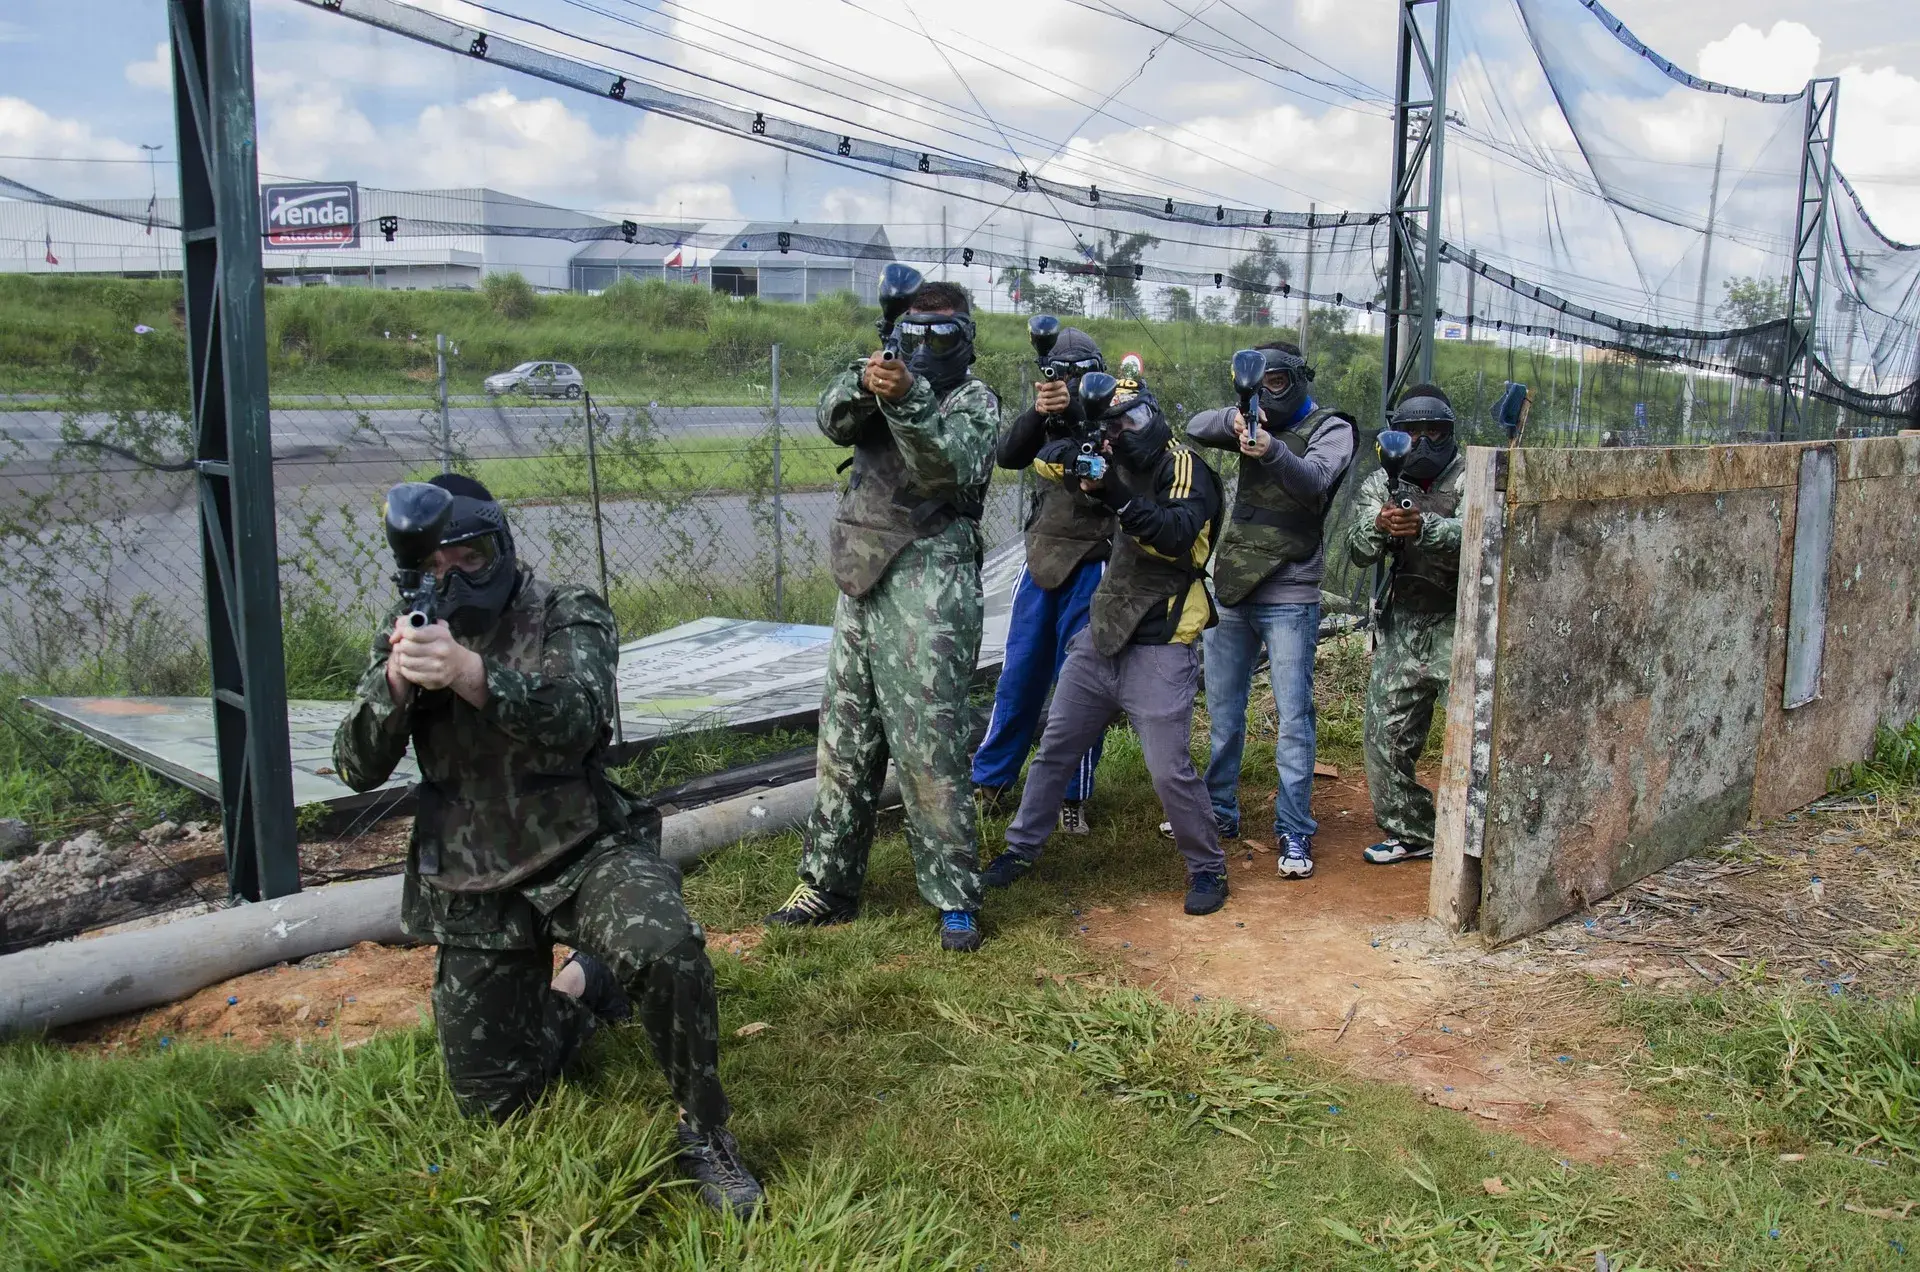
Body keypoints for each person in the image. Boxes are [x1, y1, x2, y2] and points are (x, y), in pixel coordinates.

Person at [331, 473, 762, 1216]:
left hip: (581, 845)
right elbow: (354, 764)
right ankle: (582, 988)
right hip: (473, 876)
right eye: (435, 565)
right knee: (495, 1104)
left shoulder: (567, 612)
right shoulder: (409, 631)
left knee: (664, 948)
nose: (452, 578)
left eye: (467, 557)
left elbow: (578, 719)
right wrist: (397, 685)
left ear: (498, 548)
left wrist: (473, 675)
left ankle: (706, 1129)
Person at [766, 281, 999, 952]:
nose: (927, 350)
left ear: (967, 338)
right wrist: (868, 380)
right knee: (845, 739)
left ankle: (954, 895)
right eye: (915, 336)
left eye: (943, 336)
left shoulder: (974, 401)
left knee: (928, 740)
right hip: (862, 571)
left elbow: (947, 468)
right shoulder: (884, 373)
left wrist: (908, 396)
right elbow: (832, 418)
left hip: (931, 573)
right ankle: (827, 885)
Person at [985, 374, 1231, 915]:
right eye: (1113, 423)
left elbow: (1176, 539)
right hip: (1103, 630)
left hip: (1163, 637)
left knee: (1168, 768)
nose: (1121, 432)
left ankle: (1208, 867)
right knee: (1054, 750)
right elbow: (1029, 456)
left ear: (1155, 415)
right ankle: (1021, 848)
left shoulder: (1183, 466)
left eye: (1132, 419)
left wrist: (1114, 494)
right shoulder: (1107, 453)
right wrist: (1064, 437)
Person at [1185, 342, 1356, 881]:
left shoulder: (1333, 427)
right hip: (1234, 583)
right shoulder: (1250, 414)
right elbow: (1195, 425)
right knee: (1224, 713)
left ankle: (1294, 828)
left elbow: (1314, 482)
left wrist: (1270, 449)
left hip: (1290, 591)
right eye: (1262, 382)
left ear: (1300, 379)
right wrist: (1238, 416)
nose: (1270, 391)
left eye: (1278, 381)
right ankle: (1220, 813)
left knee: (1294, 720)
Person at [971, 326, 1112, 845]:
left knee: (1080, 685)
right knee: (1019, 675)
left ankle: (1071, 798)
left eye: (1076, 375)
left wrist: (1075, 411)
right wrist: (1039, 411)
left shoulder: (1115, 410)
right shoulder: (1050, 412)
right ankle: (989, 781)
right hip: (1042, 557)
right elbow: (1008, 454)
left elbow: (1110, 457)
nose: (1067, 384)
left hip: (1096, 559)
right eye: (1059, 375)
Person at [1344, 384, 1466, 866]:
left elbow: (1483, 530)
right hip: (1405, 623)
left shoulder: (1476, 473)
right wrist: (1379, 525)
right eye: (1412, 433)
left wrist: (1427, 529)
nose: (1423, 441)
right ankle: (1413, 831)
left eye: (1434, 432)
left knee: (1477, 733)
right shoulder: (1384, 481)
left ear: (1449, 432)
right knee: (1384, 734)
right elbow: (1356, 550)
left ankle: (1476, 835)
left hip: (1464, 622)